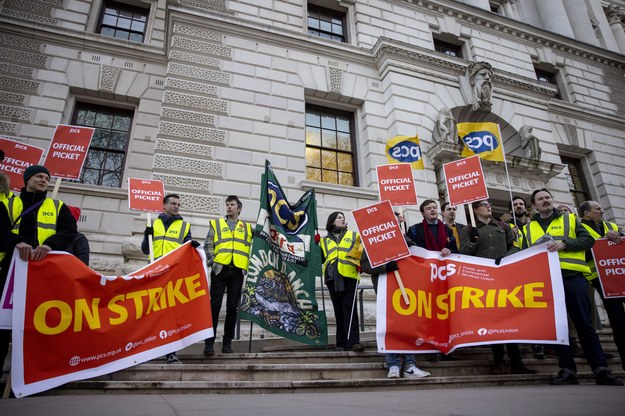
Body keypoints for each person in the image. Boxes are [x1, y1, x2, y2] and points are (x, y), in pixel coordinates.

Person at [521, 188, 622, 386]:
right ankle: (567, 370)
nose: (545, 200)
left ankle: (601, 369)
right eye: (540, 199)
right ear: (534, 206)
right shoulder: (528, 228)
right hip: (548, 280)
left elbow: (588, 240)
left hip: (573, 278)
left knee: (584, 324)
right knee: (559, 328)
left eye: (548, 197)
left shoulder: (571, 220)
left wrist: (565, 244)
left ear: (552, 200)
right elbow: (522, 252)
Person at [0, 165, 77, 371]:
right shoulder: (9, 202)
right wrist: (15, 242)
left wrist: (50, 244)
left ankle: (32, 375)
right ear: (27, 179)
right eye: (39, 176)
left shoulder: (58, 206)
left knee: (38, 326)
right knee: (3, 324)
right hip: (10, 271)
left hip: (43, 273)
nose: (44, 180)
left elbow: (69, 231)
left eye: (47, 178)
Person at [459, 199, 536, 375]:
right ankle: (498, 360)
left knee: (510, 318)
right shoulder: (468, 229)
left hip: (505, 277)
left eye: (489, 205)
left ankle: (517, 361)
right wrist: (472, 241)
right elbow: (463, 254)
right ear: (476, 210)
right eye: (485, 205)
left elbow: (515, 246)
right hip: (485, 281)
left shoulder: (503, 226)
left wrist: (505, 260)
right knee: (493, 321)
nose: (489, 207)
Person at [360, 241, 430, 379]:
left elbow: (416, 256)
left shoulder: (402, 238)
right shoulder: (371, 241)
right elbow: (365, 266)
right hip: (385, 289)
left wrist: (407, 241)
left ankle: (409, 365)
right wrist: (385, 267)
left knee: (407, 326)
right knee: (389, 326)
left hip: (405, 288)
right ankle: (393, 365)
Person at [142, 193, 193, 364]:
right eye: (173, 203)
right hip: (153, 273)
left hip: (172, 274)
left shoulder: (185, 226)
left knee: (170, 314)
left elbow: (188, 251)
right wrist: (147, 234)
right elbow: (145, 250)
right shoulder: (152, 223)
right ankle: (144, 351)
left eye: (178, 204)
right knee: (150, 312)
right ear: (164, 206)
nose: (176, 206)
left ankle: (170, 353)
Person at [406, 199, 458, 362]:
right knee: (427, 314)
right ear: (423, 213)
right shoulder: (414, 230)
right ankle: (429, 349)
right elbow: (410, 250)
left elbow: (456, 252)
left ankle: (446, 349)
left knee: (444, 314)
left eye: (434, 208)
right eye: (429, 208)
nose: (433, 210)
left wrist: (449, 250)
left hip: (443, 278)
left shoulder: (447, 230)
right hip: (424, 279)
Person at [203, 195, 253, 356]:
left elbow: (262, 237)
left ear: (239, 208)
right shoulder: (217, 224)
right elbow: (208, 244)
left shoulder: (247, 227)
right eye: (227, 205)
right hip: (220, 270)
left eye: (232, 205)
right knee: (214, 306)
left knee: (232, 308)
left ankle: (227, 343)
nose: (229, 207)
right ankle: (209, 343)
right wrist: (212, 262)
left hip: (237, 272)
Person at [579, 200, 625, 371]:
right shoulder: (579, 228)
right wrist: (600, 244)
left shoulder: (610, 225)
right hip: (598, 279)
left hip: (619, 276)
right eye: (598, 209)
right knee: (618, 321)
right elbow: (581, 251)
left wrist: (618, 236)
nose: (602, 211)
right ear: (587, 213)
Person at [320, 211, 364, 352]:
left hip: (349, 275)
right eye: (339, 218)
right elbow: (319, 259)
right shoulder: (323, 240)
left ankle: (353, 342)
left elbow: (362, 252)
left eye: (343, 218)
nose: (342, 220)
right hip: (332, 277)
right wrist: (314, 245)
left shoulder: (354, 235)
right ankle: (341, 343)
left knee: (349, 309)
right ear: (332, 221)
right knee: (338, 310)